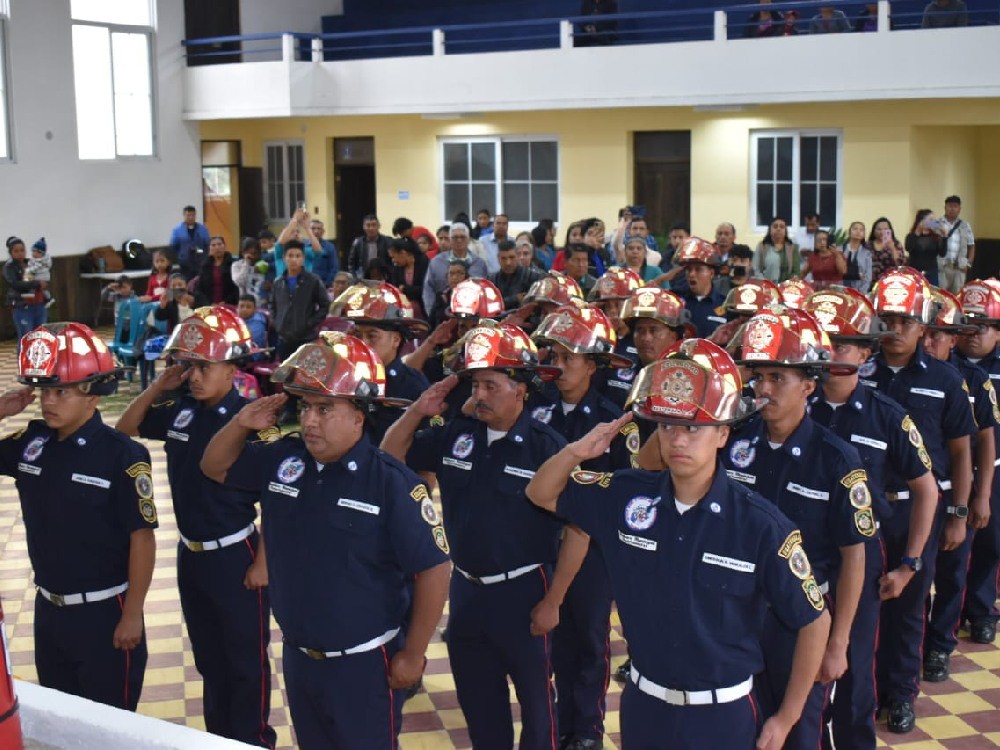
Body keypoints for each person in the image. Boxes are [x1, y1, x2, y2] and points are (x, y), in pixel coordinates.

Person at [527, 338, 831, 749]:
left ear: (723, 434)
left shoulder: (760, 525)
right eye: (667, 426)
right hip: (644, 706)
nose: (678, 440)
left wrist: (787, 716)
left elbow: (815, 621)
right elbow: (540, 493)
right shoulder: (627, 496)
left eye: (693, 427)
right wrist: (577, 451)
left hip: (722, 716)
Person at [198, 332, 448, 748]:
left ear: (359, 416)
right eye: (306, 407)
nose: (310, 420)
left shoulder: (390, 483)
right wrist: (241, 423)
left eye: (325, 408)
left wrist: (413, 653)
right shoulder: (285, 459)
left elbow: (435, 568)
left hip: (365, 665)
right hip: (300, 659)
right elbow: (214, 467)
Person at [382, 323, 588, 750]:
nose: (479, 395)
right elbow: (390, 454)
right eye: (475, 384)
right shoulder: (458, 434)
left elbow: (579, 529)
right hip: (467, 591)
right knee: (478, 702)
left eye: (492, 385)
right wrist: (418, 410)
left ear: (521, 390)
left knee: (537, 708)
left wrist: (555, 601)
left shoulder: (548, 448)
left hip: (527, 590)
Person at [116, 307, 276, 748]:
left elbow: (279, 499)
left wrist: (264, 562)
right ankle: (219, 739)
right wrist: (157, 385)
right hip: (192, 554)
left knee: (246, 663)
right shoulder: (179, 409)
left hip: (236, 556)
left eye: (205, 366)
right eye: (189, 366)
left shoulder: (251, 419)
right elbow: (125, 429)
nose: (195, 376)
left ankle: (254, 741)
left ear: (232, 368)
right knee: (210, 659)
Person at [715, 307, 871, 750]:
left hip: (803, 621)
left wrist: (838, 641)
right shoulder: (734, 439)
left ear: (808, 385)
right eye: (759, 376)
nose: (763, 389)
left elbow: (853, 556)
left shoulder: (837, 460)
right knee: (744, 726)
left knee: (800, 731)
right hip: (738, 611)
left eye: (777, 378)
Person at [802, 287, 938, 749]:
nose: (829, 354)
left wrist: (910, 564)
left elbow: (926, 490)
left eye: (841, 344)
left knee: (856, 673)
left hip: (861, 560)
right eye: (822, 343)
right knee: (796, 670)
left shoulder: (888, 417)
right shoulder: (794, 411)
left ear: (864, 353)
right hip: (801, 561)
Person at [0, 323, 156, 710]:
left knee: (109, 731)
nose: (47, 401)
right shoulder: (33, 444)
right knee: (62, 725)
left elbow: (142, 538)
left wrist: (133, 613)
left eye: (61, 391)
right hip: (49, 612)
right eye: (44, 391)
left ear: (93, 394)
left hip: (105, 615)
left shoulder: (124, 455)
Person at [869, 268, 977, 732]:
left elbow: (960, 452)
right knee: (858, 607)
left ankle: (900, 693)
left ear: (923, 326)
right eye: (886, 319)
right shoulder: (856, 372)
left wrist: (958, 516)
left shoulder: (946, 379)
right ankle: (862, 692)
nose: (894, 330)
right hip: (862, 508)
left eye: (904, 321)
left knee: (909, 606)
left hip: (919, 510)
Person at [529, 306, 637, 750]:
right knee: (555, 640)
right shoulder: (538, 415)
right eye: (552, 354)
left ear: (592, 365)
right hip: (542, 542)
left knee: (590, 637)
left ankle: (587, 728)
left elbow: (618, 493)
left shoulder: (611, 422)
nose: (557, 363)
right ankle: (559, 719)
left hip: (592, 550)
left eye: (568, 356)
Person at [920, 289, 997, 684]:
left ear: (954, 338)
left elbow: (984, 442)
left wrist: (976, 498)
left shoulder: (972, 379)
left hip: (955, 490)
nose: (930, 341)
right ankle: (913, 644)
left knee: (951, 573)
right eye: (926, 332)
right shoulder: (908, 374)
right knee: (916, 574)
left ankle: (939, 645)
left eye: (940, 334)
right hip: (915, 495)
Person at [330, 281, 430, 443]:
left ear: (396, 340)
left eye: (372, 336)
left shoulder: (414, 386)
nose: (363, 343)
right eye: (357, 335)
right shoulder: (343, 380)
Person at [955, 280, 1000, 645]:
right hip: (954, 471)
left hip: (995, 469)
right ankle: (947, 622)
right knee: (953, 551)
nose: (973, 333)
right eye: (966, 324)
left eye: (982, 326)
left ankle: (982, 609)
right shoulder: (946, 364)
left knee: (991, 543)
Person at [600, 286, 688, 410]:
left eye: (654, 330)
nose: (646, 338)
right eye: (640, 330)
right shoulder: (617, 371)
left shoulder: (687, 381)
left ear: (674, 336)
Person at [675, 237, 726, 337]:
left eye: (698, 269)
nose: (691, 274)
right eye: (689, 269)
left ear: (711, 274)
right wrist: (663, 278)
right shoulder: (675, 299)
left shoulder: (725, 305)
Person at [4, 236, 48, 347]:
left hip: (39, 303)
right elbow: (15, 284)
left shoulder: (31, 263)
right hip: (22, 306)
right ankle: (24, 363)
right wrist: (37, 283)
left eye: (22, 250)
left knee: (41, 336)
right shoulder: (9, 267)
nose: (20, 253)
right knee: (26, 337)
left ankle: (39, 363)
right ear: (11, 252)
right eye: (16, 251)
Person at [490, 239, 542, 310]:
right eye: (503, 258)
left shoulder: (533, 277)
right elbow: (490, 306)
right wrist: (515, 299)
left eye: (512, 257)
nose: (508, 262)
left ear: (517, 257)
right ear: (498, 259)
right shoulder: (492, 280)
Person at [939, 195, 976, 294]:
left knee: (957, 296)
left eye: (955, 206)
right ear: (945, 207)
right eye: (949, 206)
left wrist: (968, 263)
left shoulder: (965, 225)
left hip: (959, 268)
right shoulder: (937, 223)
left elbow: (971, 245)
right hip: (942, 267)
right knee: (941, 296)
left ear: (959, 209)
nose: (952, 209)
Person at [386, 236, 429, 317]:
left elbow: (426, 289)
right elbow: (396, 288)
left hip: (423, 309)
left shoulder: (424, 263)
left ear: (403, 253)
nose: (393, 260)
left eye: (393, 257)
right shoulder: (396, 268)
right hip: (402, 310)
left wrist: (406, 289)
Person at [753, 217, 801, 283]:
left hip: (787, 287)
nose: (778, 229)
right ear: (770, 230)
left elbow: (796, 272)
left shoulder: (793, 248)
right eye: (775, 226)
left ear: (785, 230)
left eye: (782, 227)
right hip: (766, 287)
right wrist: (766, 283)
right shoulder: (762, 247)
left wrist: (787, 284)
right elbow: (756, 269)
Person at [904, 209, 946, 286]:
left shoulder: (936, 237)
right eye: (930, 220)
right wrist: (917, 231)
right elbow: (908, 248)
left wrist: (944, 236)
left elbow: (942, 253)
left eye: (934, 220)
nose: (933, 223)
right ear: (921, 221)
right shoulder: (911, 236)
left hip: (931, 274)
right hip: (915, 274)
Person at [169, 205, 211, 279]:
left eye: (192, 215)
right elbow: (173, 247)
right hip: (184, 264)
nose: (191, 217)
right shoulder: (177, 230)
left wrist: (202, 254)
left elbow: (207, 245)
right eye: (188, 215)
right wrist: (178, 259)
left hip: (200, 262)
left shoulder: (202, 229)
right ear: (184, 215)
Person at [196, 236, 239, 306]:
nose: (217, 247)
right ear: (209, 248)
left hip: (230, 304)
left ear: (225, 246)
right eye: (213, 245)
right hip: (210, 305)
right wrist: (209, 303)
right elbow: (200, 289)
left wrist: (226, 302)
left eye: (219, 244)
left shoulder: (233, 264)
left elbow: (237, 288)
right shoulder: (205, 266)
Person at [348, 214, 392, 280]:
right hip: (362, 278)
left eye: (374, 225)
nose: (371, 228)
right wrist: (355, 279)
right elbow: (351, 264)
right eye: (368, 225)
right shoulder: (358, 243)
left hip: (383, 278)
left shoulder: (387, 241)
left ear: (379, 226)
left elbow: (391, 262)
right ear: (363, 227)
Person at [231, 238, 269, 307]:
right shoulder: (237, 265)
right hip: (246, 306)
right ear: (243, 253)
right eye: (250, 253)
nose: (253, 256)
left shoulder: (265, 264)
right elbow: (240, 282)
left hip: (263, 305)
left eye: (255, 253)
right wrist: (246, 264)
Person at [868, 217, 907, 283]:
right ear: (874, 231)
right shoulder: (868, 245)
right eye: (879, 229)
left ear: (890, 231)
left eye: (885, 229)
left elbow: (901, 265)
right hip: (870, 282)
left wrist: (892, 248)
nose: (882, 232)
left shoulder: (896, 244)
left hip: (890, 281)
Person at [841, 221, 873, 292]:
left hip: (859, 291)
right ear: (849, 232)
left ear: (864, 234)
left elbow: (868, 277)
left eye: (861, 230)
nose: (858, 231)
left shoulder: (867, 253)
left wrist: (861, 293)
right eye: (855, 229)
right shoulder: (840, 250)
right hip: (840, 290)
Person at [308, 218, 338, 286]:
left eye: (319, 228)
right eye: (313, 228)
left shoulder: (329, 247)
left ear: (323, 231)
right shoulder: (303, 246)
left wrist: (326, 284)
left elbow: (334, 268)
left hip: (323, 284)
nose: (316, 231)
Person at [25, 237, 54, 308]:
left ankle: (30, 293)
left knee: (32, 282)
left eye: (36, 252)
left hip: (41, 276)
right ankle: (49, 298)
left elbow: (35, 268)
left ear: (41, 253)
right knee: (43, 290)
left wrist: (29, 270)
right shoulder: (36, 259)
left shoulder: (41, 261)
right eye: (33, 251)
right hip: (41, 276)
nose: (34, 254)